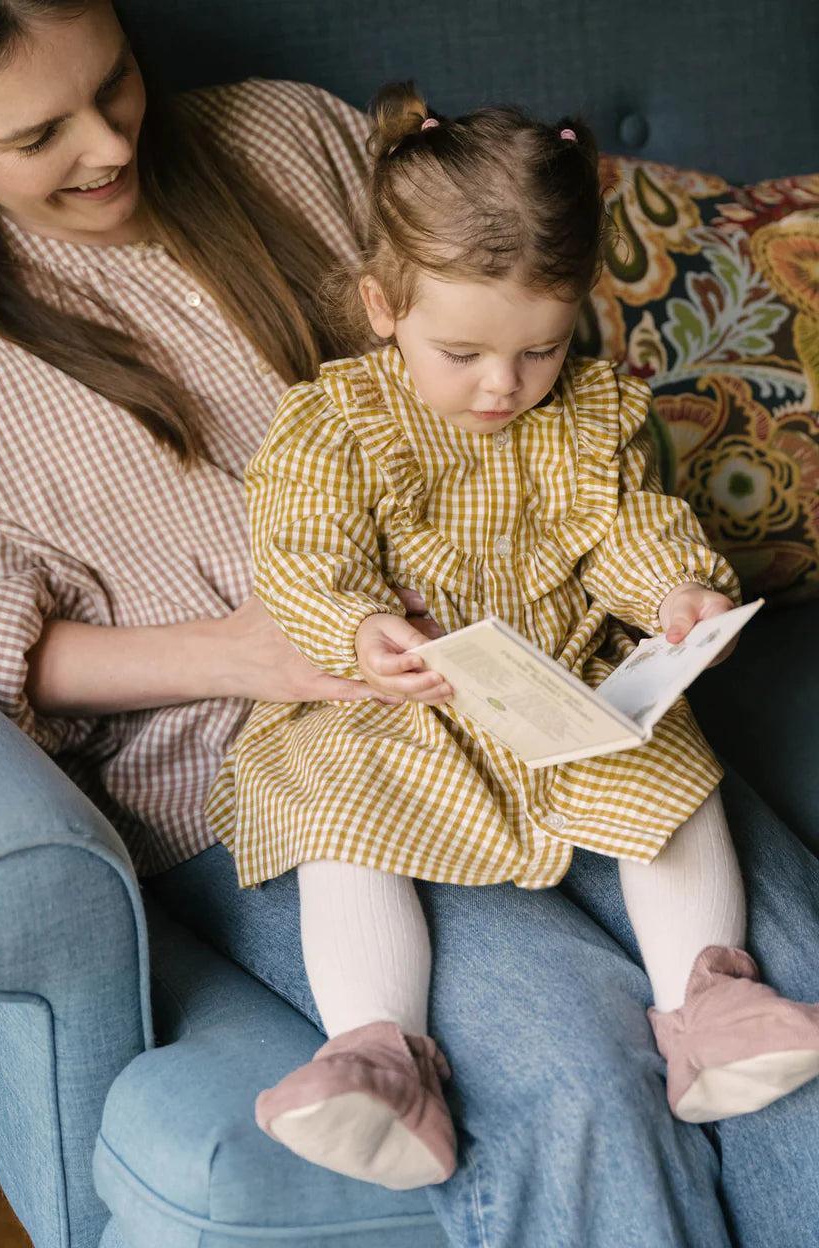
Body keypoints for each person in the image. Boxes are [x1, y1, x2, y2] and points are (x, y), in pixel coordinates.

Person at [0, 2, 818, 1245]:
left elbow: (510, 318)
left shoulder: (281, 137)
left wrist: (662, 595)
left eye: (115, 86)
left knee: (791, 991)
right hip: (281, 756)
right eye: (38, 134)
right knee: (573, 1074)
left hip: (542, 679)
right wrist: (252, 648)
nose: (110, 146)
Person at [206, 83, 819, 1189]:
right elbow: (301, 555)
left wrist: (677, 594)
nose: (503, 386)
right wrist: (360, 627)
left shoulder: (592, 413)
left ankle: (707, 1002)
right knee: (335, 814)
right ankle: (378, 1055)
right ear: (383, 304)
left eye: (538, 350)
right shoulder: (335, 421)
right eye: (465, 353)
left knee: (667, 773)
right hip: (401, 706)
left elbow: (628, 526)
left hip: (558, 684)